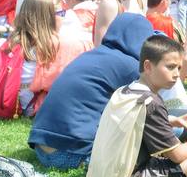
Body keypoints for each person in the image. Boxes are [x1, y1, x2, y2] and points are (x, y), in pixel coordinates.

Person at [28, 12, 154, 168]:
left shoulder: (91, 54)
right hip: (71, 153)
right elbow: (149, 114)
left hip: (41, 147)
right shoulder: (130, 66)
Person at [98, 35, 187, 177]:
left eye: (178, 68)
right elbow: (177, 156)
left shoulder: (126, 90)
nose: (176, 74)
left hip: (106, 173)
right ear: (148, 66)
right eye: (170, 67)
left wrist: (172, 120)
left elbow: (134, 121)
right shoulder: (152, 102)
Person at [9, 0, 89, 115]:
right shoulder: (55, 44)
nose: (64, 18)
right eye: (61, 13)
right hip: (36, 106)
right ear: (48, 18)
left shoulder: (16, 40)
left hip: (18, 103)